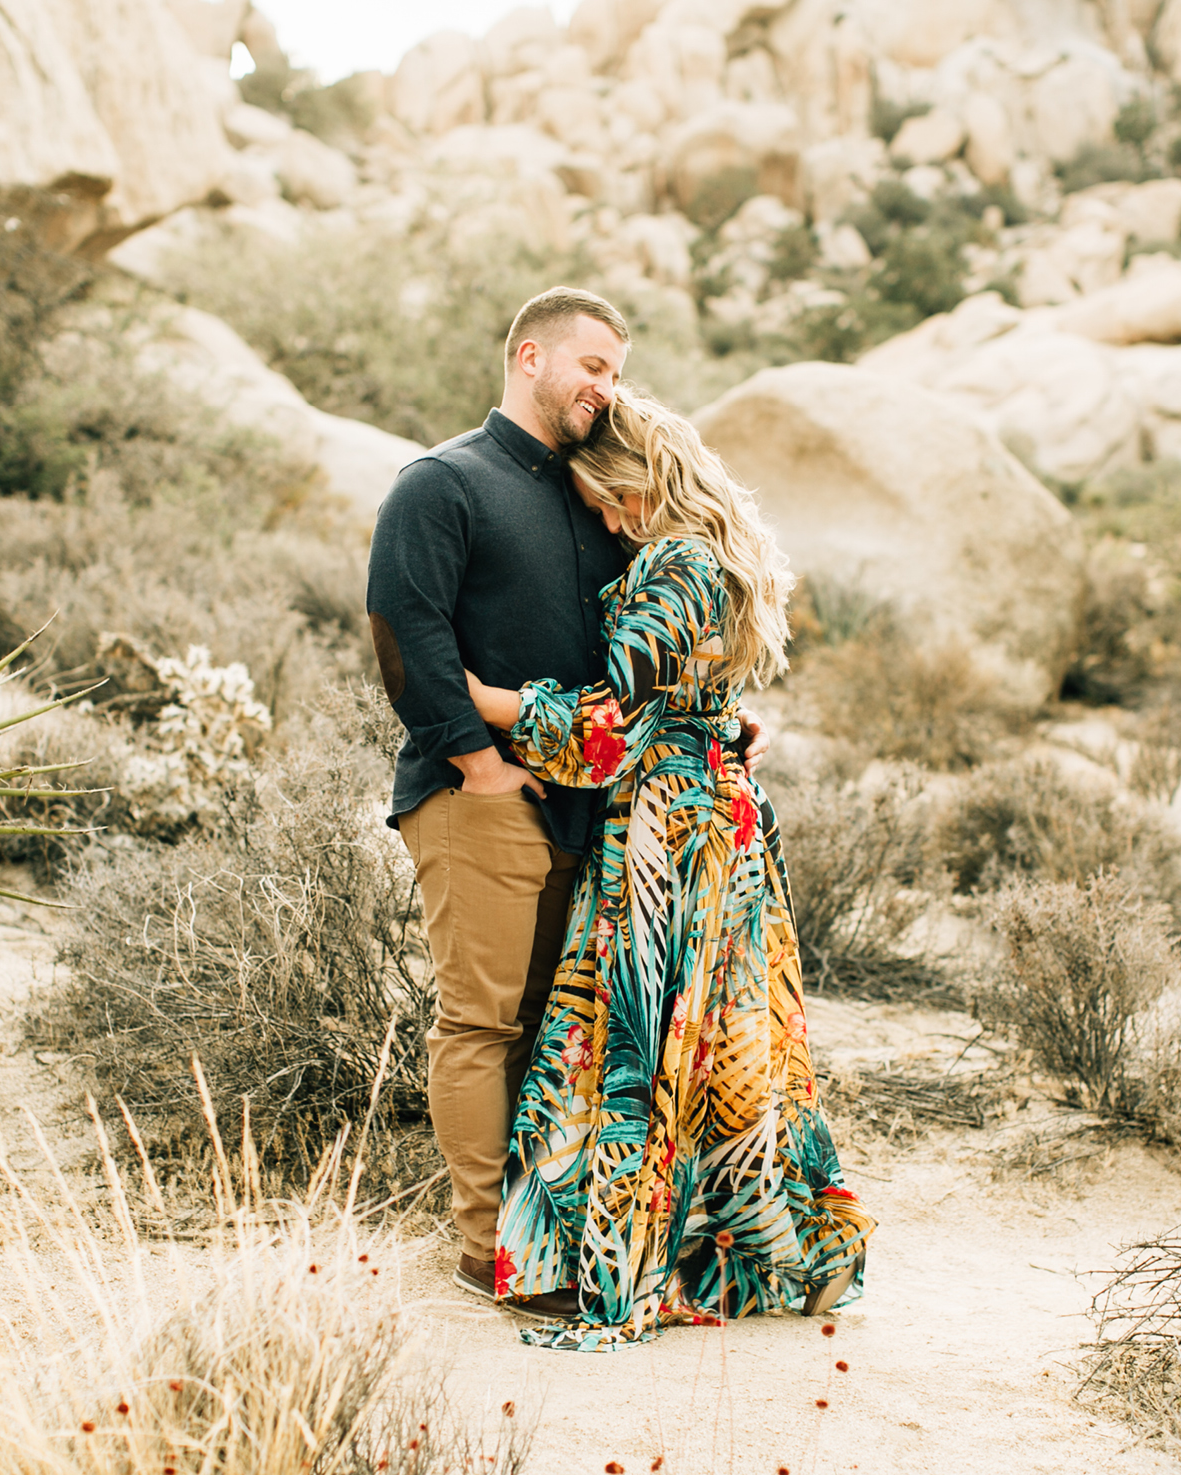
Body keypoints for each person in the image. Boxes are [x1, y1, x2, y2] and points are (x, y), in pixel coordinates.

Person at [364, 287, 765, 1319]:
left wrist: (710, 727)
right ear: (529, 354)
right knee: (483, 1020)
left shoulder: (597, 495)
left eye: (616, 371)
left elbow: (644, 660)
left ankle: (551, 1241)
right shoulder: (443, 481)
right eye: (590, 364)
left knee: (559, 1030)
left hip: (599, 804)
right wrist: (476, 761)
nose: (605, 386)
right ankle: (480, 1246)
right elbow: (402, 632)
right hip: (482, 794)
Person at [464, 387, 873, 1351]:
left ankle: (627, 1261)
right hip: (714, 816)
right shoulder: (721, 558)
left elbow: (613, 723)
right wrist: (726, 729)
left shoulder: (677, 560)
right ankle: (707, 1238)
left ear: (642, 478)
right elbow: (694, 699)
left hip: (667, 828)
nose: (605, 520)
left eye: (607, 499)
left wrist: (483, 698)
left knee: (645, 1040)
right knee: (715, 1035)